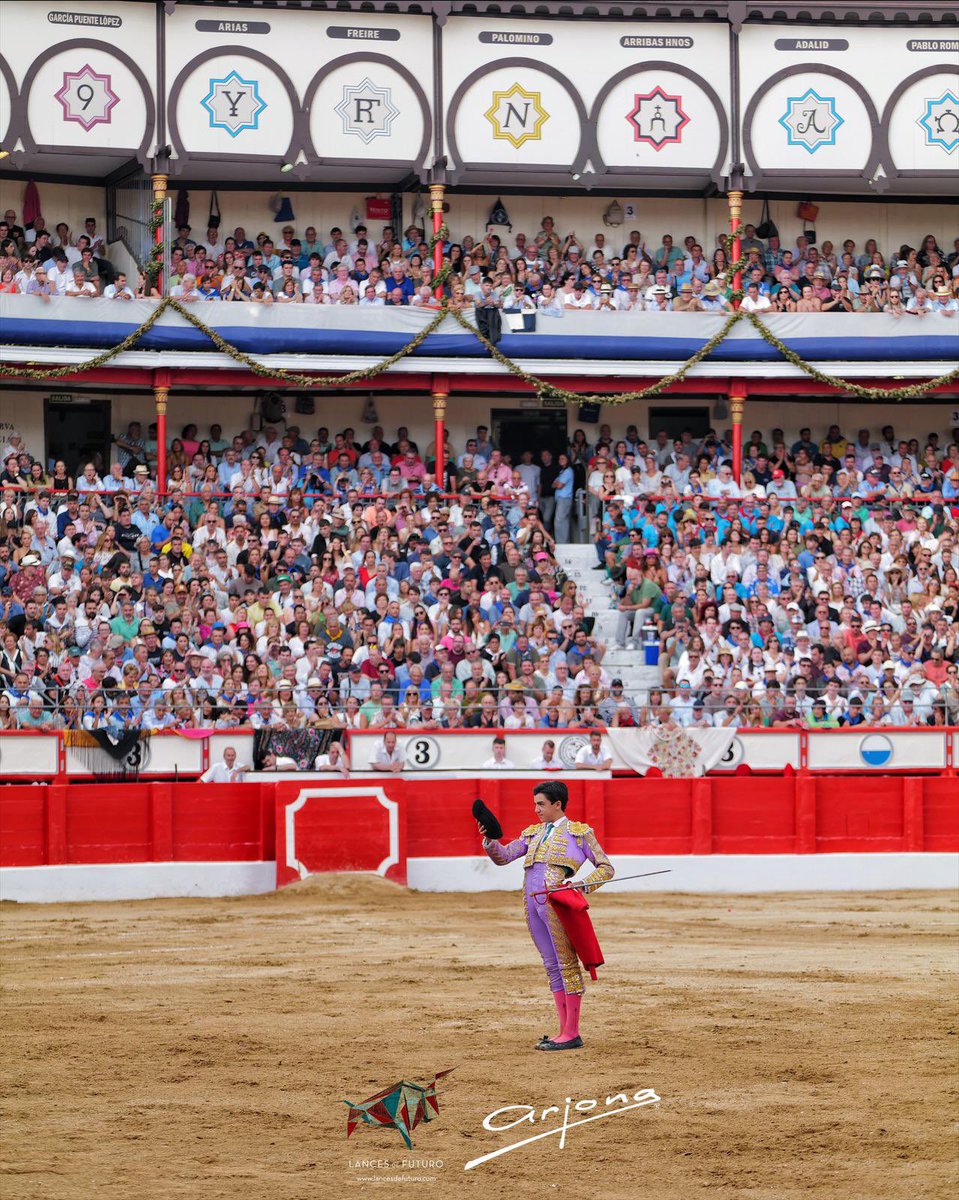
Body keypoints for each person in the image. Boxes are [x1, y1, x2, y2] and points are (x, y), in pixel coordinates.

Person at [478, 779, 614, 1050]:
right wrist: (490, 839)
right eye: (535, 804)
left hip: (556, 904)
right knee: (551, 965)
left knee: (566, 964)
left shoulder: (579, 832)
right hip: (531, 903)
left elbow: (606, 868)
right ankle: (563, 1031)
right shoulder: (532, 833)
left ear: (557, 804)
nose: (537, 810)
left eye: (541, 804)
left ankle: (572, 1032)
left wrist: (580, 885)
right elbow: (504, 857)